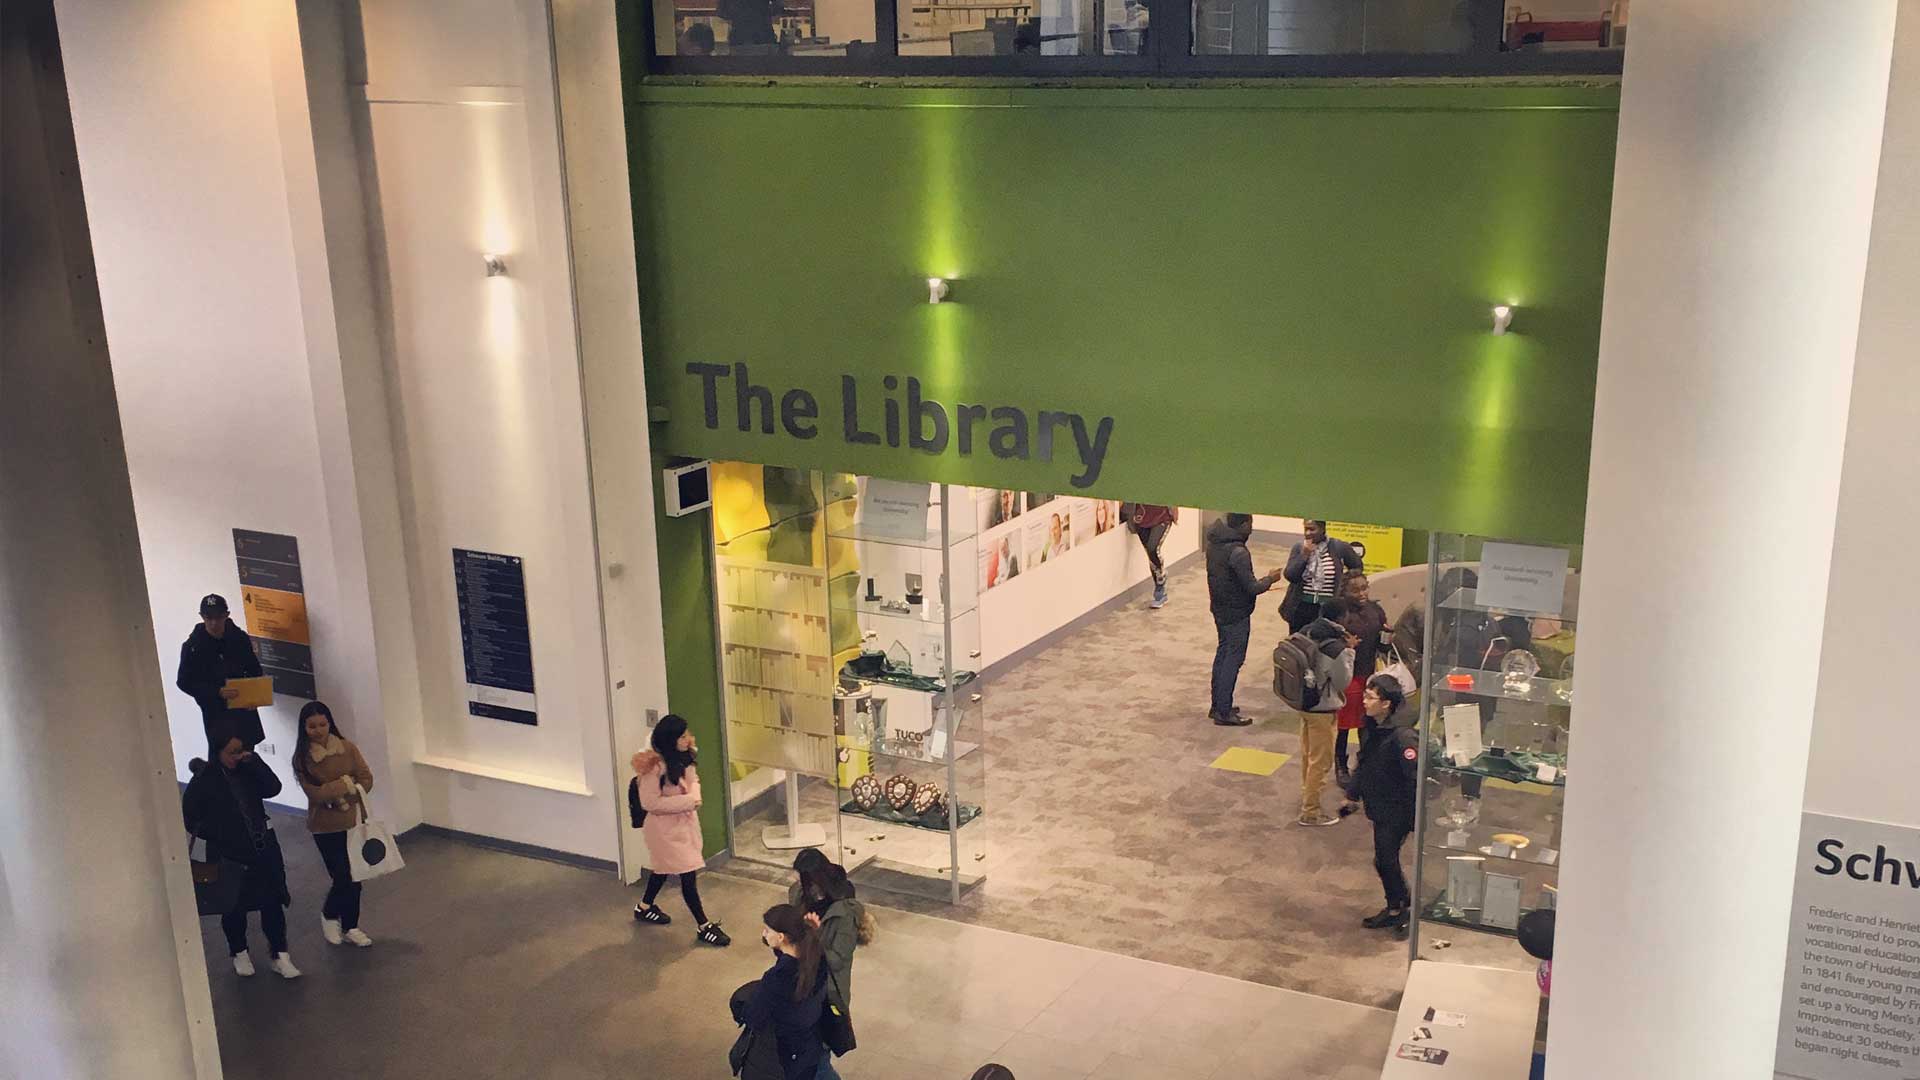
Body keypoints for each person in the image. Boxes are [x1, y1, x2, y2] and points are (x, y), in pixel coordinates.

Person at [183, 723, 300, 978]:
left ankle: (280, 955)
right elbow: (189, 815)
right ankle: (239, 952)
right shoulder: (205, 778)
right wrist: (218, 834)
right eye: (232, 752)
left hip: (262, 847)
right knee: (233, 905)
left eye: (241, 751)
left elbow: (273, 788)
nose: (237, 757)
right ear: (218, 751)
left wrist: (255, 762)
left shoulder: (249, 769)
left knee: (272, 902)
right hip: (228, 853)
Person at [632, 714, 730, 946]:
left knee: (662, 869)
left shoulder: (683, 758)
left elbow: (693, 781)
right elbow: (650, 803)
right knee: (687, 874)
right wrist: (689, 802)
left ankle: (644, 907)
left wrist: (693, 797)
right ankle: (704, 925)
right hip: (664, 832)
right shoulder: (653, 768)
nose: (688, 739)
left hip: (682, 827)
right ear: (670, 739)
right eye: (682, 736)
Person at [290, 700, 375, 947]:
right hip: (325, 826)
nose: (318, 730)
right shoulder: (303, 759)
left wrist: (338, 789)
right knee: (341, 876)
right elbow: (314, 795)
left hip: (353, 821)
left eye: (322, 724)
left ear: (330, 723)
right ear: (303, 728)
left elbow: (367, 779)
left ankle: (351, 926)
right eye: (312, 726)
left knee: (356, 877)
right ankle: (329, 916)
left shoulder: (348, 748)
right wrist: (346, 784)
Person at [1342, 674, 1421, 935]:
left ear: (1386, 703)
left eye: (1370, 697)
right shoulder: (1373, 726)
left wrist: (1413, 812)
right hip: (1380, 805)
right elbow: (1365, 762)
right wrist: (1353, 794)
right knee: (1384, 859)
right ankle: (1398, 904)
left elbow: (1415, 775)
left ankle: (1400, 907)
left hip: (1397, 809)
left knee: (1385, 859)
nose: (1364, 701)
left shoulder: (1401, 736)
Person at [788, 852, 871, 1079]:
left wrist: (814, 936)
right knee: (807, 1055)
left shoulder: (845, 910)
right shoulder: (799, 895)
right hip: (801, 980)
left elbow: (838, 959)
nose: (798, 883)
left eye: (803, 878)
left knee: (818, 1058)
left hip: (826, 991)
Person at [1205, 513, 1284, 726]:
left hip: (1220, 609)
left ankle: (1218, 705)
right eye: (1250, 524)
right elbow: (1252, 587)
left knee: (1222, 655)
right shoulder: (1238, 552)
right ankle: (1224, 712)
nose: (1251, 528)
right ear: (1244, 525)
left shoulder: (1215, 544)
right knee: (1233, 660)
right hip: (1236, 612)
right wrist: (1271, 578)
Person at [739, 904, 831, 1080]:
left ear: (781, 937)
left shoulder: (776, 978)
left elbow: (755, 1017)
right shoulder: (817, 960)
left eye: (767, 930)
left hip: (784, 1054)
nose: (764, 934)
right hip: (811, 1045)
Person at [176, 593, 267, 747]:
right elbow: (184, 682)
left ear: (226, 615)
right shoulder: (193, 646)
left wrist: (255, 697)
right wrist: (217, 692)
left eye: (218, 617)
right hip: (215, 714)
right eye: (208, 618)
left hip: (242, 710)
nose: (213, 623)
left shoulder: (239, 638)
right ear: (202, 617)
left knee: (248, 757)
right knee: (222, 759)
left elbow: (255, 670)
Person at [1296, 598, 1356, 825]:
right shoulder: (1336, 647)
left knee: (1308, 754)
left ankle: (1306, 794)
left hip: (1304, 702)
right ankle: (1310, 812)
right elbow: (1342, 682)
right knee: (1321, 761)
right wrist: (1350, 652)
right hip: (1323, 707)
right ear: (1341, 618)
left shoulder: (1307, 630)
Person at [1333, 573, 1389, 786]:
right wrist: (1345, 646)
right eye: (1356, 590)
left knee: (1368, 722)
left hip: (1369, 673)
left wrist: (1387, 638)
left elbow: (1383, 644)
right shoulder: (1339, 613)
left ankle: (1365, 764)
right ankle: (1340, 764)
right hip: (1347, 675)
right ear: (1344, 591)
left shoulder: (1376, 610)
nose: (1362, 593)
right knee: (1344, 724)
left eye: (1365, 588)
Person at [1280, 521, 1364, 635]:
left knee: (1324, 643)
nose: (1308, 533)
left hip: (1328, 608)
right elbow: (1290, 576)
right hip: (1302, 607)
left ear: (1322, 528)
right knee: (1300, 644)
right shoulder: (1299, 547)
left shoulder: (1339, 547)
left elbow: (1357, 567)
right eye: (1306, 529)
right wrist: (1304, 556)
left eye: (1312, 529)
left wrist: (1344, 587)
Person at [1120, 503, 1178, 608]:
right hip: (1141, 519)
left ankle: (1161, 581)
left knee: (1153, 548)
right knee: (1150, 554)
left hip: (1163, 517)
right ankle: (1160, 593)